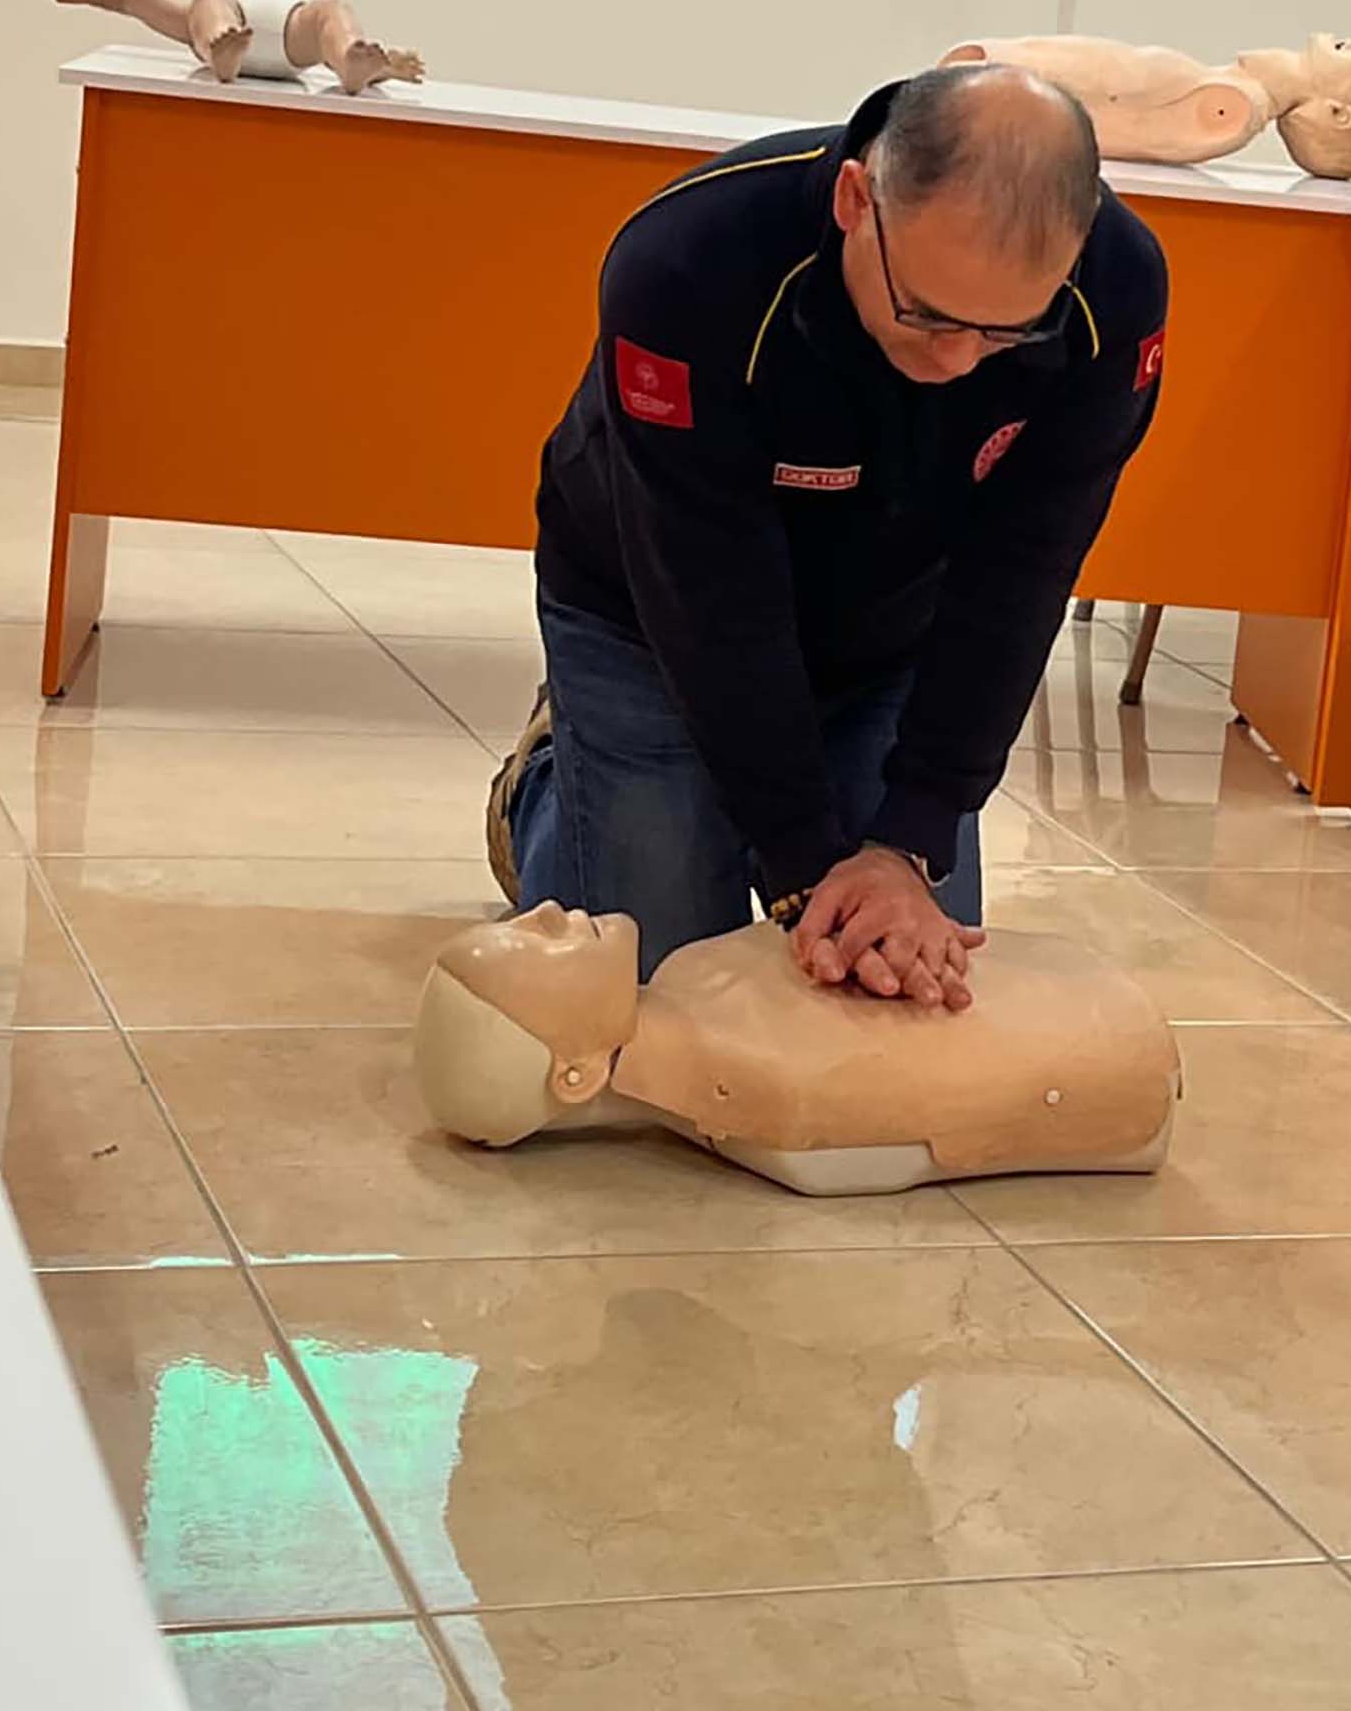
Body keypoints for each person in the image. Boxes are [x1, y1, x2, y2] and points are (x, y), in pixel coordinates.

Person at [488, 63, 1168, 1012]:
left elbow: (1023, 570)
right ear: (857, 199)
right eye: (926, 313)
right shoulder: (688, 262)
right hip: (648, 612)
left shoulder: (1116, 291)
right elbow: (710, 591)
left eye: (1006, 333)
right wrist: (804, 861)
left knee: (896, 989)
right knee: (666, 982)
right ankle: (547, 784)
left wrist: (909, 841)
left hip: (896, 623)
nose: (958, 360)